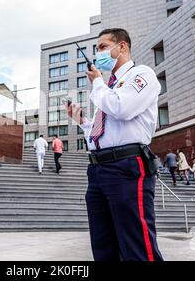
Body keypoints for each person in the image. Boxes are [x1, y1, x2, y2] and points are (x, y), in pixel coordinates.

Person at [66, 28, 163, 262]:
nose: (98, 54)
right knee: (103, 245)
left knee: (136, 244)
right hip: (99, 170)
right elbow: (103, 134)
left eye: (102, 47)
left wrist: (98, 83)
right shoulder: (109, 87)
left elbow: (122, 108)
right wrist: (82, 122)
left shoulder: (141, 74)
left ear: (122, 47)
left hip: (126, 166)